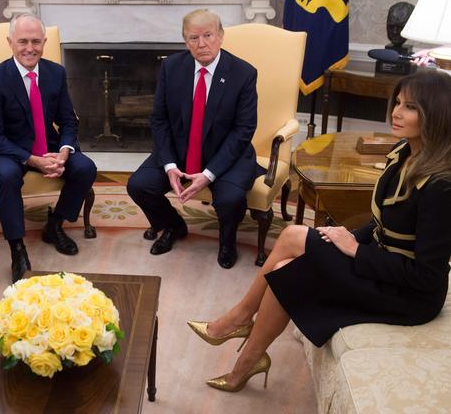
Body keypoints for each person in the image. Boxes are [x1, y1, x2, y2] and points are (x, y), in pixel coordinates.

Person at [188, 70, 451, 392]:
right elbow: (385, 222)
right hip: (382, 266)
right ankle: (247, 356)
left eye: (409, 107)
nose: (395, 112)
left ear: (435, 115)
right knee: (286, 266)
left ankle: (240, 322)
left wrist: (356, 250)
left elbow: (427, 276)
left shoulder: (441, 187)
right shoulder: (405, 153)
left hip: (409, 296)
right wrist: (354, 236)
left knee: (294, 237)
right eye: (397, 102)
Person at [127, 9, 262, 269]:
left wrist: (209, 174)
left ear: (221, 36)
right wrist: (168, 165)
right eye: (193, 38)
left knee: (230, 200)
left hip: (227, 155)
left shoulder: (243, 73)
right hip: (179, 151)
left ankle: (227, 240)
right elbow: (159, 119)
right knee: (138, 185)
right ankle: (173, 226)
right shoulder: (171, 67)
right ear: (185, 41)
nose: (202, 44)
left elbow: (243, 130)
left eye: (208, 35)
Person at [0, 14, 97, 283]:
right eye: (22, 41)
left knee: (85, 167)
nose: (29, 48)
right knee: (7, 176)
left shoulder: (56, 72)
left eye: (35, 41)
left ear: (44, 42)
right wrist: (32, 160)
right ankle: (17, 249)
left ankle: (54, 226)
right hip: (4, 150)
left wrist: (64, 151)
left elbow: (68, 120)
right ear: (10, 42)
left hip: (48, 146)